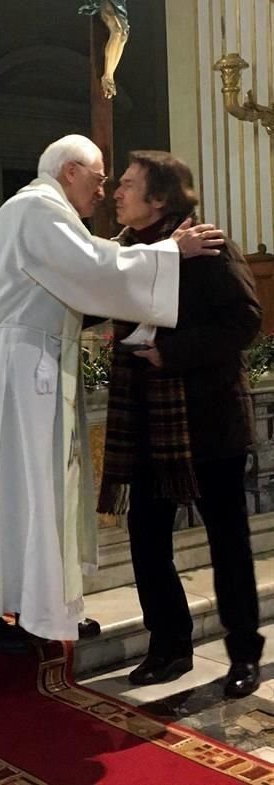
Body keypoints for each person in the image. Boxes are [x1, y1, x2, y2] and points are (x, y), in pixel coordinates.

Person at [0, 134, 224, 655]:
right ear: (70, 171)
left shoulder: (32, 210)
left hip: (24, 362)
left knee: (17, 491)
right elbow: (95, 270)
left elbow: (90, 266)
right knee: (20, 489)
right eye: (99, 176)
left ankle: (29, 610)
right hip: (22, 369)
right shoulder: (40, 210)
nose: (104, 188)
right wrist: (169, 250)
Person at [98, 151, 264, 697]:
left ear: (160, 198)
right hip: (149, 421)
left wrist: (172, 354)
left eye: (127, 185)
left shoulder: (206, 247)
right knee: (147, 538)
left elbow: (245, 320)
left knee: (228, 541)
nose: (117, 193)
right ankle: (169, 646)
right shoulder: (126, 251)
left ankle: (243, 652)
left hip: (208, 419)